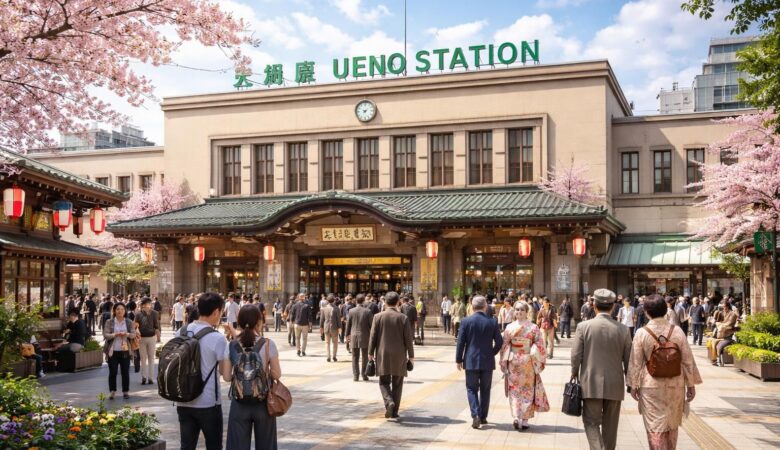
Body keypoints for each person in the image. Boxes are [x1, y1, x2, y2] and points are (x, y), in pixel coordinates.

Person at [628, 294, 702, 450]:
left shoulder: (642, 333)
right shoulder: (677, 331)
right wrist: (691, 385)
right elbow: (687, 360)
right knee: (671, 426)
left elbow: (635, 362)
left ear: (647, 311)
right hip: (676, 384)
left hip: (651, 386)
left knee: (655, 427)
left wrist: (633, 386)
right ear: (664, 310)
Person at [571, 289, 632, 450]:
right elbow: (629, 359)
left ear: (594, 306)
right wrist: (631, 382)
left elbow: (576, 355)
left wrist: (574, 373)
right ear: (613, 307)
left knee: (590, 422)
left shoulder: (583, 327)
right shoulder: (623, 329)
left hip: (590, 382)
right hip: (615, 383)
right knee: (611, 427)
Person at [221, 305, 281, 450]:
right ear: (258, 322)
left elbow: (227, 377)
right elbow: (277, 374)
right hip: (263, 402)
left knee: (237, 446)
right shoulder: (267, 344)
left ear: (239, 322)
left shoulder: (232, 345)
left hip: (239, 402)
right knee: (266, 445)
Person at [176, 293, 229, 450]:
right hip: (208, 403)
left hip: (183, 399)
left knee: (186, 446)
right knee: (213, 446)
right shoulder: (217, 338)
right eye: (222, 312)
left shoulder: (181, 332)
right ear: (216, 312)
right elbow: (226, 376)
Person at [499, 301, 550, 431]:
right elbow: (505, 345)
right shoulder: (509, 327)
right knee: (514, 390)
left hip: (528, 362)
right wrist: (504, 362)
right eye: (517, 310)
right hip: (514, 362)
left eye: (522, 310)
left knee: (527, 390)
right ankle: (516, 417)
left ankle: (525, 419)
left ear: (527, 312)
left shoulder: (533, 328)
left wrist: (533, 349)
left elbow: (540, 344)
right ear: (514, 311)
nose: (519, 312)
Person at [455, 296, 503, 429]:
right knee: (485, 389)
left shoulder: (465, 321)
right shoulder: (492, 321)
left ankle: (475, 414)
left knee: (471, 388)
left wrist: (458, 359)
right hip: (487, 361)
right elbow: (499, 342)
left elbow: (460, 342)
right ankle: (483, 417)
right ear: (485, 306)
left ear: (471, 305)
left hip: (470, 360)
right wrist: (491, 353)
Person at [368, 291, 414, 419]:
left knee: (383, 381)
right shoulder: (403, 318)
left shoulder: (378, 317)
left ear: (385, 302)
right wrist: (411, 356)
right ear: (398, 302)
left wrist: (370, 353)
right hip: (399, 355)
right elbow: (408, 339)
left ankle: (389, 402)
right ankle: (394, 412)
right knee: (398, 383)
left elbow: (373, 337)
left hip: (382, 353)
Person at [103, 303, 136, 400]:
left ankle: (125, 391)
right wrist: (115, 335)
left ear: (125, 311)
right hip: (112, 351)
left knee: (125, 371)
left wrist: (127, 334)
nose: (120, 311)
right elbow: (105, 334)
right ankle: (112, 391)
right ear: (114, 311)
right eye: (118, 309)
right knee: (112, 372)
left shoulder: (129, 322)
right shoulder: (109, 322)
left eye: (122, 309)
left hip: (125, 350)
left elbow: (133, 334)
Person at [346, 294, 374, 381]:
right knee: (365, 356)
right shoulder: (367, 311)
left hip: (354, 336)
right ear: (363, 301)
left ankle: (355, 375)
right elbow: (372, 325)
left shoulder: (351, 311)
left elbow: (348, 325)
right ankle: (364, 374)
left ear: (355, 301)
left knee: (354, 357)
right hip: (365, 336)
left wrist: (347, 335)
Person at [134, 297, 161, 385]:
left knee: (151, 358)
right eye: (145, 304)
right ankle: (144, 377)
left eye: (149, 304)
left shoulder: (154, 313)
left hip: (151, 337)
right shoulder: (138, 314)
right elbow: (135, 326)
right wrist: (136, 332)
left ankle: (150, 378)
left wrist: (158, 337)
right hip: (141, 338)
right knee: (143, 358)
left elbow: (156, 326)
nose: (148, 306)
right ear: (142, 305)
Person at [713, 301, 738, 366]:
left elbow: (730, 323)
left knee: (719, 346)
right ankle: (715, 360)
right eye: (722, 307)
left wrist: (721, 325)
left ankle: (719, 361)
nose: (723, 308)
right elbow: (719, 321)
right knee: (712, 343)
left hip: (728, 336)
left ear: (727, 306)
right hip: (721, 335)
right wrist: (719, 323)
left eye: (724, 307)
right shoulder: (723, 313)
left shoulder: (733, 314)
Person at [320, 294, 342, 362]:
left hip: (326, 327)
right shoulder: (336, 308)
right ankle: (334, 356)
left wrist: (321, 327)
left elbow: (322, 319)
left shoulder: (324, 308)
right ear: (334, 300)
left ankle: (328, 357)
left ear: (327, 300)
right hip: (334, 327)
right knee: (335, 343)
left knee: (327, 343)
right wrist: (340, 327)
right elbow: (338, 319)